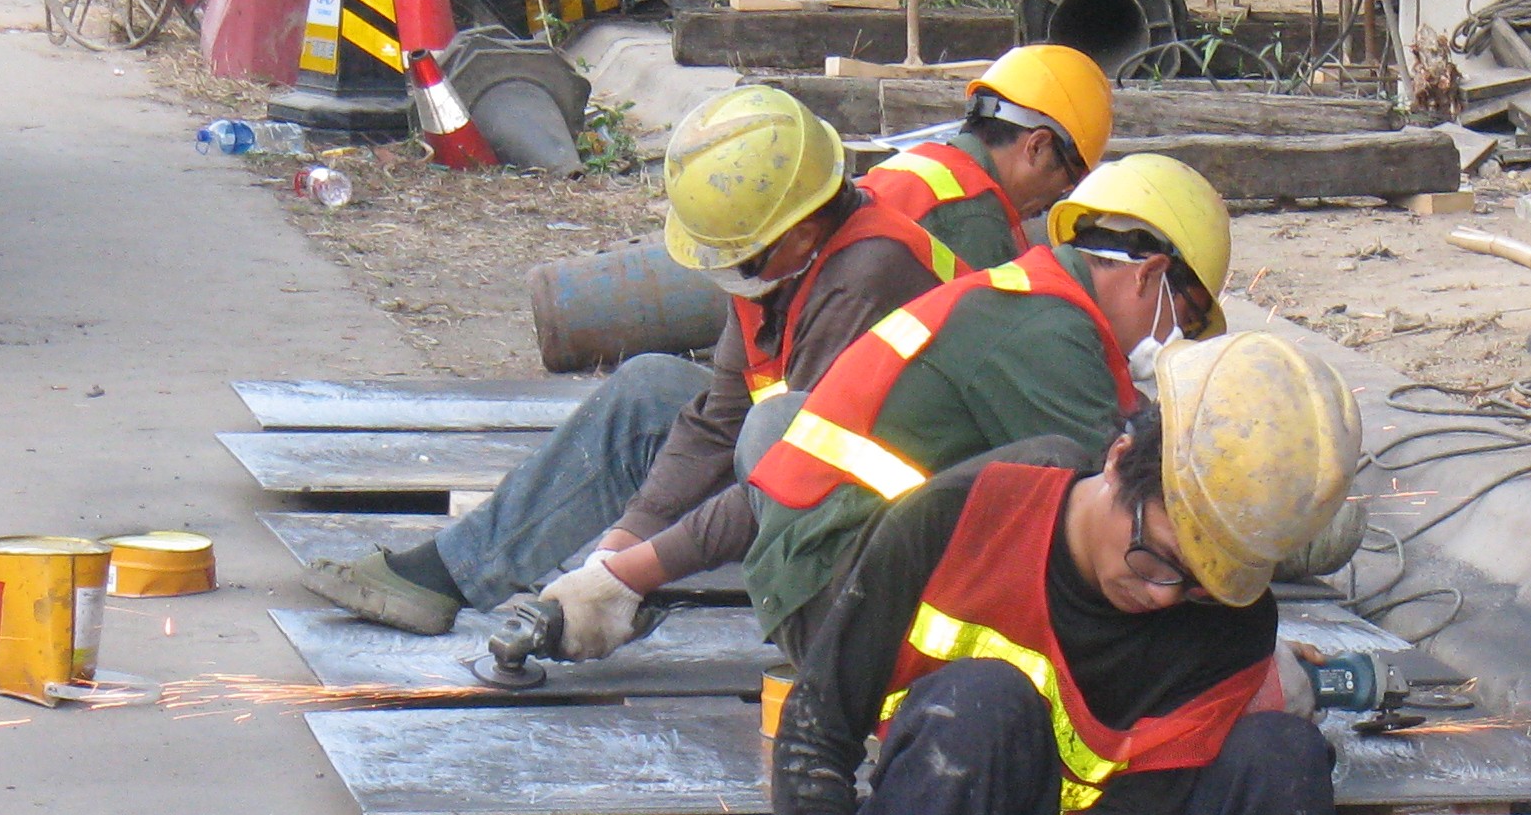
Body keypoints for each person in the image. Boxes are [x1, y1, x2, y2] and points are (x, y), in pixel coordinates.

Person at [289, 55, 1106, 655]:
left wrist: (634, 576)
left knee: (771, 432)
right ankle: (451, 575)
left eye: (740, 259)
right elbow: (718, 412)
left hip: (899, 518)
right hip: (801, 458)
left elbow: (795, 472)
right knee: (651, 389)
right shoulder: (785, 257)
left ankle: (812, 629)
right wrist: (623, 541)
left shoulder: (871, 274)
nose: (731, 278)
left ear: (799, 228)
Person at [778, 332, 1363, 815]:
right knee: (980, 702)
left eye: (1197, 585)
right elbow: (815, 725)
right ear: (1120, 459)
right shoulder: (962, 517)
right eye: (1156, 557)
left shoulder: (1231, 626)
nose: (1162, 596)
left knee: (1286, 761)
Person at [741, 151, 1231, 645]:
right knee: (1075, 486)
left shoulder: (1041, 305)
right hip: (842, 603)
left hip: (838, 574)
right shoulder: (1045, 331)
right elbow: (1137, 508)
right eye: (1186, 320)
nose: (1179, 339)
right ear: (1150, 274)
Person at [858, 43, 1111, 282]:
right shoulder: (975, 214)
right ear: (1036, 147)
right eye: (1070, 177)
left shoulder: (917, 163)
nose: (1055, 198)